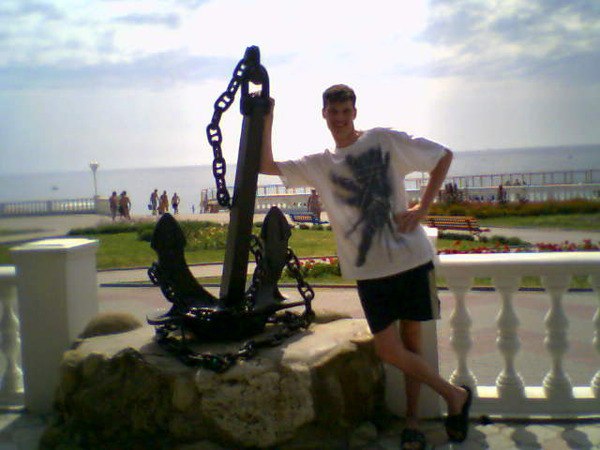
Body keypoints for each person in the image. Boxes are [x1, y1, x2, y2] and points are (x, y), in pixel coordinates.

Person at [259, 84, 471, 448]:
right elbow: (266, 165)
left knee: (412, 342)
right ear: (324, 115)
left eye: (346, 111)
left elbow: (442, 156)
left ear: (354, 113)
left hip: (411, 259)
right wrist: (268, 117)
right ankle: (455, 395)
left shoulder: (383, 140)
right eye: (334, 112)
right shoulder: (320, 164)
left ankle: (413, 420)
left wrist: (423, 206)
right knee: (389, 350)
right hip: (369, 271)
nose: (340, 119)